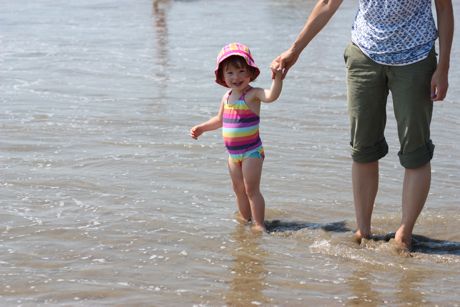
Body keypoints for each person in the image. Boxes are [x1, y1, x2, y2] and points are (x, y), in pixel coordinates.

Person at [271, 0, 453, 250]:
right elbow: (327, 3)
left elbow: (444, 8)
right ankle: (363, 231)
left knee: (416, 151)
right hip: (364, 55)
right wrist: (295, 50)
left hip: (417, 59)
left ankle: (405, 233)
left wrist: (443, 68)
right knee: (363, 148)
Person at [190, 43, 283, 232]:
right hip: (233, 156)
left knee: (251, 190)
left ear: (250, 72)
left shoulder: (253, 94)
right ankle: (245, 219)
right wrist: (202, 128)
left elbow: (272, 96)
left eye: (241, 71)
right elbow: (219, 120)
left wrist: (278, 78)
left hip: (251, 152)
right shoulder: (227, 97)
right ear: (223, 77)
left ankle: (259, 224)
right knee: (238, 189)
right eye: (230, 73)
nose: (236, 77)